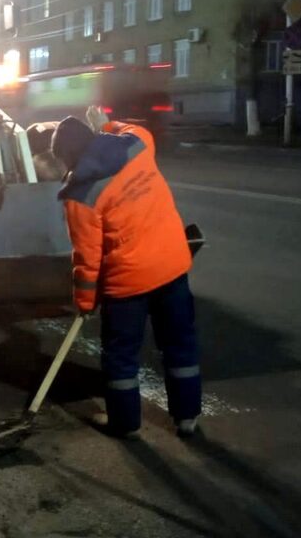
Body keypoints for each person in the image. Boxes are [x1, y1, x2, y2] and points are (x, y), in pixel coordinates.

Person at [51, 106, 201, 438]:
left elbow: (87, 258)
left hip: (127, 284)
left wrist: (85, 301)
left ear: (67, 156)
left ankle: (125, 423)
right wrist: (105, 123)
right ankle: (187, 418)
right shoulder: (137, 146)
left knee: (121, 357)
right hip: (173, 267)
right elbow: (127, 128)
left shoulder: (79, 195)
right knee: (180, 344)